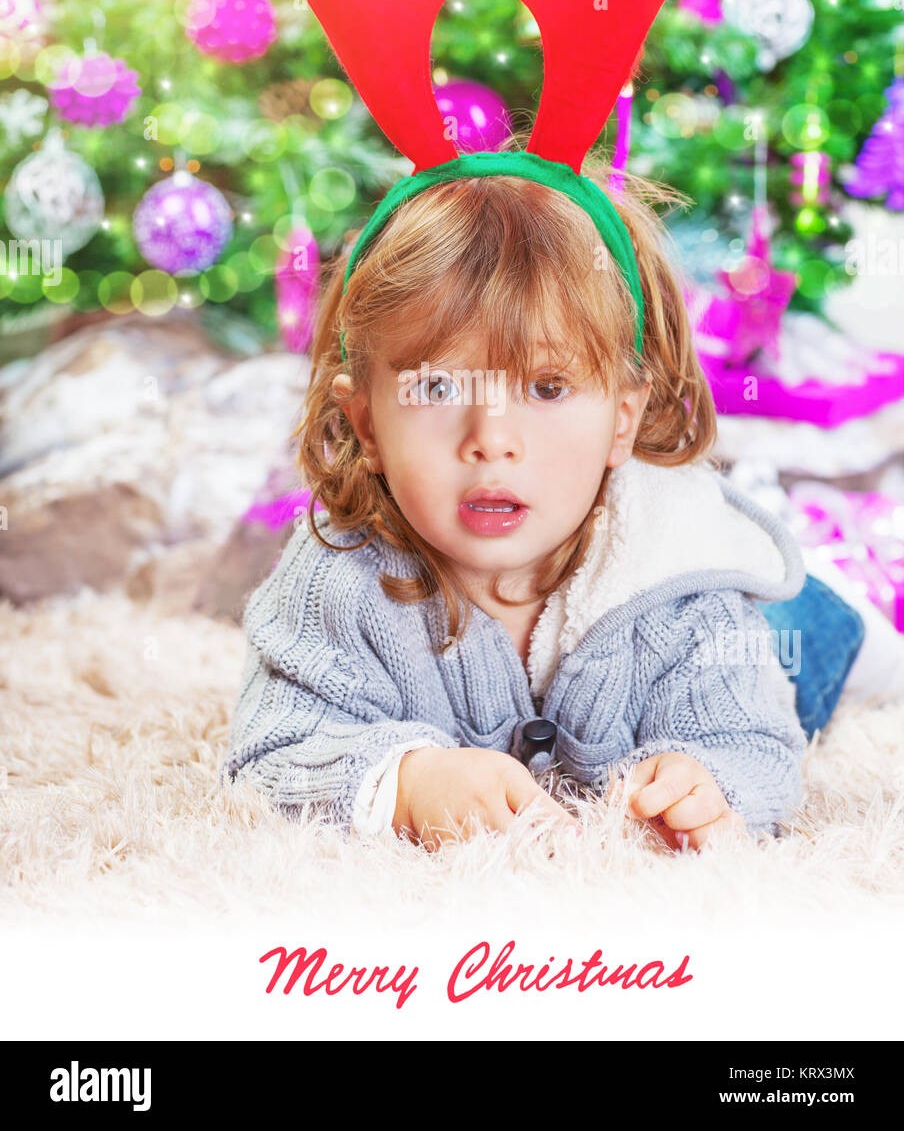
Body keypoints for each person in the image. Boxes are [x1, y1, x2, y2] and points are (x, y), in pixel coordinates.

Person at [225, 143, 864, 852]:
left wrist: (707, 781)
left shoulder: (682, 576)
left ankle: (848, 597)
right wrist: (406, 783)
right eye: (436, 387)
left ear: (623, 418)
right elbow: (272, 754)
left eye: (547, 388)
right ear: (366, 422)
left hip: (779, 625)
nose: (491, 440)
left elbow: (754, 743)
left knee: (809, 644)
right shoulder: (336, 581)